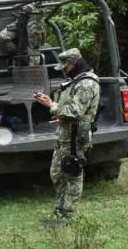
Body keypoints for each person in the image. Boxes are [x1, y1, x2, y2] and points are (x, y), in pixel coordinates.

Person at [33, 48, 100, 219]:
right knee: (56, 173)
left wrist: (51, 105)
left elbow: (76, 111)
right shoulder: (75, 81)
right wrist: (58, 114)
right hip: (64, 134)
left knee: (72, 173)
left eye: (65, 66)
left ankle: (67, 214)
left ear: (74, 64)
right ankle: (59, 208)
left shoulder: (87, 83)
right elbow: (68, 110)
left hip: (75, 138)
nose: (63, 70)